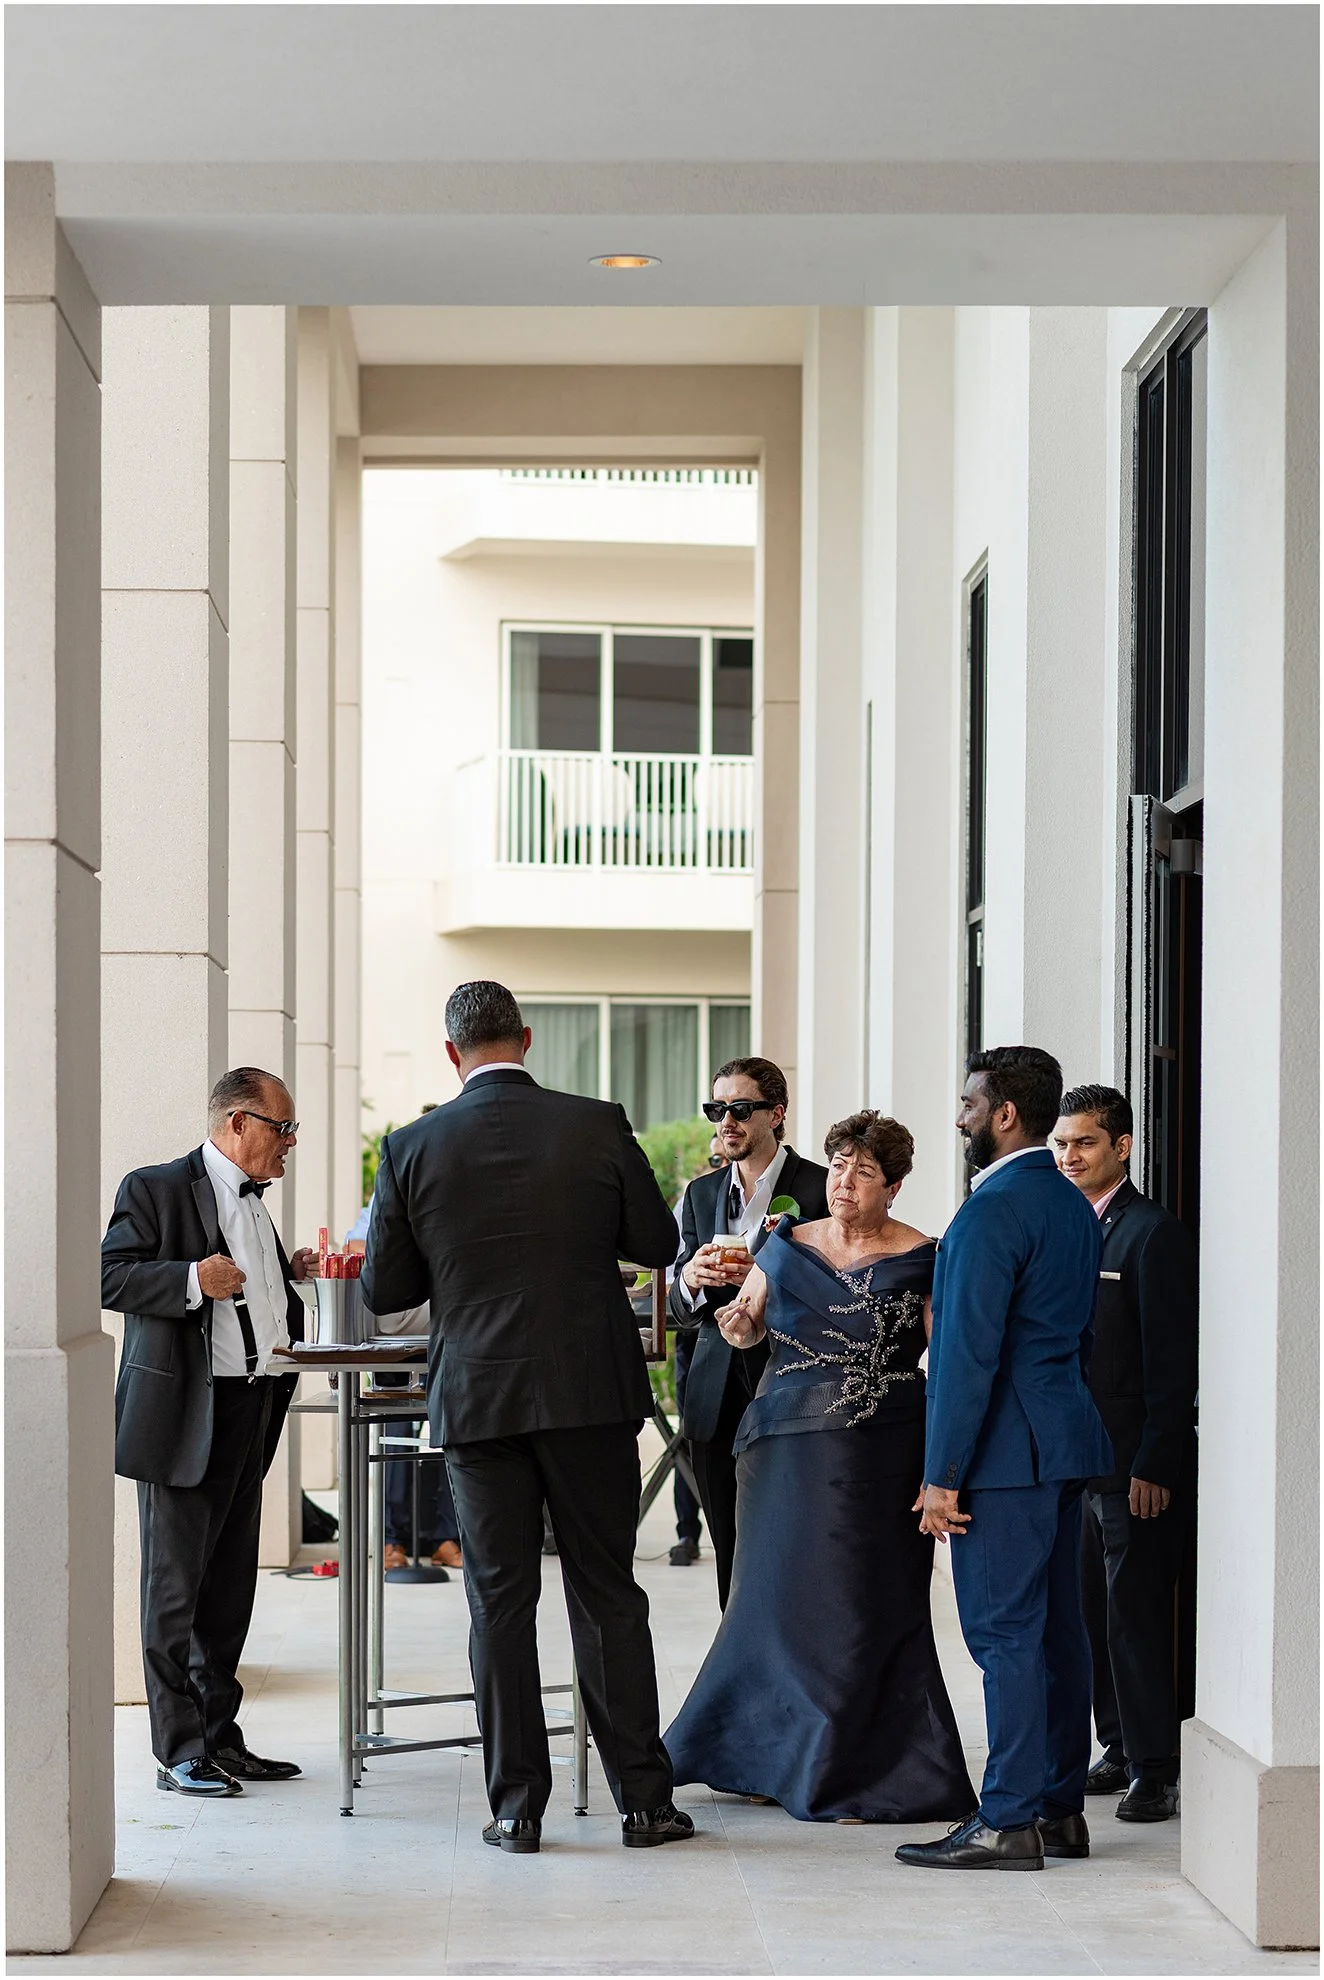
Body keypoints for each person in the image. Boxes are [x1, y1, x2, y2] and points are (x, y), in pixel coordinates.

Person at [362, 980, 694, 1856]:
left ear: (451, 1053)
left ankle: (517, 1809)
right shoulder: (596, 1122)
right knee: (608, 1590)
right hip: (589, 1391)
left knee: (499, 1602)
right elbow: (659, 1246)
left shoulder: (410, 1147)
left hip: (479, 1398)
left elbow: (387, 1289)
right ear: (527, 1038)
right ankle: (645, 1803)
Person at [665, 1113, 977, 1824]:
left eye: (864, 1172)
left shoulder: (928, 1257)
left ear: (893, 1186)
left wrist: (949, 1462)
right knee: (772, 1605)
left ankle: (861, 1764)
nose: (844, 1181)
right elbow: (746, 1323)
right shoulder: (783, 1242)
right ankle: (761, 1757)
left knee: (864, 1608)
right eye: (838, 1165)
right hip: (780, 1451)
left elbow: (949, 1359)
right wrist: (735, 1323)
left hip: (882, 1456)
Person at [897, 1047, 1113, 1873]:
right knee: (1058, 1631)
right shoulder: (1068, 1202)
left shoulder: (989, 1212)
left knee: (1005, 1637)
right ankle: (1059, 1811)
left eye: (967, 1104)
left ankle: (1009, 1820)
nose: (959, 1118)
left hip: (1003, 1455)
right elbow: (1081, 1338)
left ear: (1005, 1114)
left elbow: (965, 1356)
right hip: (1061, 1440)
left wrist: (940, 1475)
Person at [101, 1068, 316, 1798]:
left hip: (252, 1409)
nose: (289, 1143)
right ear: (237, 1123)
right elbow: (110, 1277)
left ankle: (221, 1737)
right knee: (175, 1591)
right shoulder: (154, 1187)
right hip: (186, 1416)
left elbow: (251, 1293)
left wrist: (289, 1275)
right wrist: (193, 1278)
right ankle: (178, 1750)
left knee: (228, 1588)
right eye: (281, 1128)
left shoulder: (257, 1206)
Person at [1054, 1084, 1199, 1823]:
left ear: (1123, 1146)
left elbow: (1174, 1365)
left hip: (1133, 1468)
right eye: (1062, 1144)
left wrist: (1154, 1464)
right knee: (1088, 1614)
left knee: (1135, 1617)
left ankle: (1156, 1767)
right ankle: (1115, 1747)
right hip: (1075, 1464)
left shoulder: (1154, 1233)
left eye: (1084, 1142)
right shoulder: (1069, 1228)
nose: (1070, 1155)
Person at [669, 1059, 829, 1608]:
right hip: (715, 1391)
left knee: (793, 1543)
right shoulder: (699, 1193)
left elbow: (839, 1289)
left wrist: (769, 1282)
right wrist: (690, 1279)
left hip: (793, 1384)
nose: (726, 1122)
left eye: (740, 1109)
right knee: (728, 1552)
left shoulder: (819, 1186)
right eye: (717, 1110)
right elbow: (680, 1307)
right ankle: (738, 1671)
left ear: (775, 1113)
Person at [669, 1135, 726, 1568]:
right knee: (689, 1436)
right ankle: (687, 1532)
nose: (719, 1161)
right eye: (713, 1157)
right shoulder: (694, 1200)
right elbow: (672, 1274)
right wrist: (693, 1275)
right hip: (695, 1337)